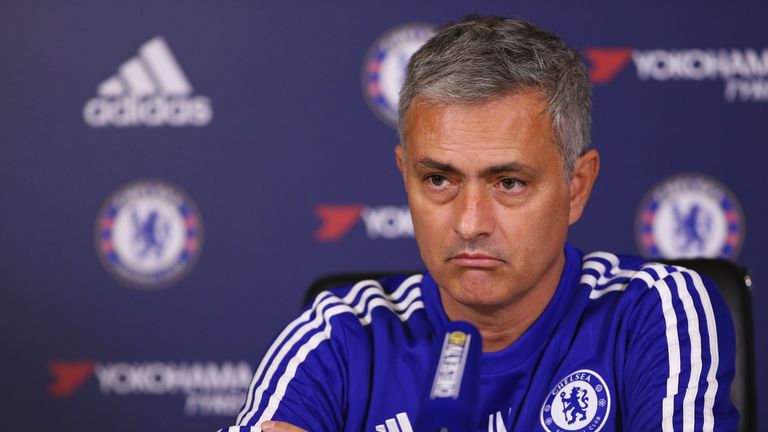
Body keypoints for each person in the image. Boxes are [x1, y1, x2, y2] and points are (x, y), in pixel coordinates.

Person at [221, 15, 738, 432]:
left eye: (509, 183)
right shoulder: (339, 334)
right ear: (406, 177)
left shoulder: (654, 311)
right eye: (440, 180)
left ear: (576, 187)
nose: (470, 223)